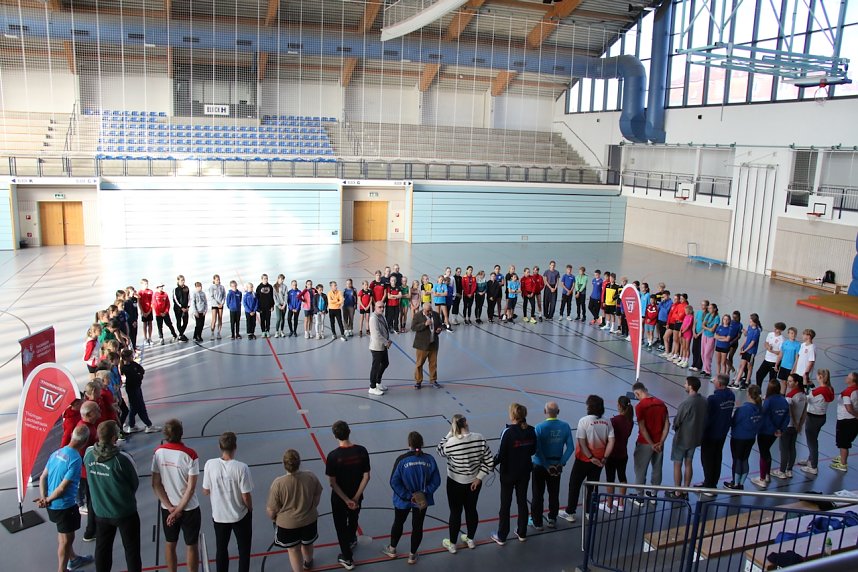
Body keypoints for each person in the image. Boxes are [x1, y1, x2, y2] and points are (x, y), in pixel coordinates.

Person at [84, 420, 142, 572]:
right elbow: (134, 483)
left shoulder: (89, 454)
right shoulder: (122, 459)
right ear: (113, 438)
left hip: (100, 511)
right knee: (132, 550)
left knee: (102, 548)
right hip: (124, 512)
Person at [36, 425, 94, 572]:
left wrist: (44, 498)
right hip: (64, 506)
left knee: (63, 535)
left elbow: (43, 477)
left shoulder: (57, 452)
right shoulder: (75, 459)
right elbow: (62, 488)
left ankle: (73, 558)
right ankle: (62, 569)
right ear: (85, 441)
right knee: (66, 540)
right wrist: (47, 500)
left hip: (52, 505)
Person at [437, 414, 494, 552]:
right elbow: (489, 461)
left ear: (454, 426)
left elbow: (439, 450)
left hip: (455, 483)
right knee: (471, 510)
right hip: (474, 483)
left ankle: (452, 544)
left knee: (455, 512)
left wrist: (449, 434)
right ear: (466, 423)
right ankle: (470, 539)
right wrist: (479, 477)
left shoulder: (451, 443)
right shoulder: (480, 438)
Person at [382, 432, 441, 565]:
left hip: (403, 500)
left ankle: (392, 549)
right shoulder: (429, 459)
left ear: (409, 444)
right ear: (422, 444)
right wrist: (422, 493)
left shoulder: (402, 460)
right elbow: (436, 481)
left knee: (398, 522)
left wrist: (408, 496)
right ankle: (412, 556)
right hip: (421, 500)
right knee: (418, 526)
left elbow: (394, 482)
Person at [151, 419, 201, 572]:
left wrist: (171, 508)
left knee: (170, 543)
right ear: (181, 434)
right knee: (191, 545)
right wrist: (178, 510)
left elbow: (156, 484)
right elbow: (190, 489)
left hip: (168, 508)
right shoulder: (190, 455)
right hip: (189, 508)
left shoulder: (158, 452)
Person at [202, 432, 254, 572]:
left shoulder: (210, 464)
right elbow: (246, 496)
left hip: (219, 516)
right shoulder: (242, 468)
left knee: (221, 549)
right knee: (244, 550)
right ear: (235, 447)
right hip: (239, 515)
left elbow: (205, 491)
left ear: (220, 447)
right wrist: (250, 509)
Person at [267, 449, 323, 572]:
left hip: (287, 525)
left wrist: (273, 518)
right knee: (308, 544)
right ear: (299, 462)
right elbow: (318, 494)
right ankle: (308, 562)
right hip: (309, 520)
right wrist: (312, 506)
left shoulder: (278, 483)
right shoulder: (310, 476)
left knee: (293, 550)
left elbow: (271, 509)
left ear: (284, 464)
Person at [325, 421, 371, 570]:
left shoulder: (333, 456)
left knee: (340, 526)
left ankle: (347, 558)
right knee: (353, 518)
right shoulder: (362, 451)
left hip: (339, 499)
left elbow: (332, 483)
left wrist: (346, 500)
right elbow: (366, 477)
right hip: (356, 496)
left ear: (335, 436)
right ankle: (351, 539)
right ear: (349, 431)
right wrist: (355, 498)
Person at [563, 395, 615, 521]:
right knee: (592, 486)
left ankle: (570, 512)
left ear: (590, 407)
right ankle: (590, 512)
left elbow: (582, 442)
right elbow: (611, 441)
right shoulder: (607, 421)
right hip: (599, 461)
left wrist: (590, 457)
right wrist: (605, 458)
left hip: (583, 459)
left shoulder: (584, 421)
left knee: (574, 484)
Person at [492, 403, 537, 544]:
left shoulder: (507, 432)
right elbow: (533, 451)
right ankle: (522, 532)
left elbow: (501, 454)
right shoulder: (532, 430)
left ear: (512, 415)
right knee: (522, 501)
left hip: (508, 473)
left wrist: (490, 464)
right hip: (524, 472)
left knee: (505, 504)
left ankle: (502, 535)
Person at [530, 402, 574, 527]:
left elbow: (537, 450)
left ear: (545, 411)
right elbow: (570, 447)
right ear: (558, 412)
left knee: (537, 494)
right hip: (556, 466)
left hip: (540, 466)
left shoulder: (539, 427)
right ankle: (552, 518)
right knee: (554, 493)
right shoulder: (565, 426)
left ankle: (537, 522)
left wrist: (546, 465)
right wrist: (561, 463)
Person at [631, 382, 669, 506]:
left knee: (640, 470)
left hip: (645, 443)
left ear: (637, 393)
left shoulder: (640, 406)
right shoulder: (661, 404)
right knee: (657, 469)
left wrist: (651, 443)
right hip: (659, 443)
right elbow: (667, 425)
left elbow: (642, 428)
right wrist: (661, 442)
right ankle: (653, 495)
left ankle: (640, 497)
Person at [671, 376, 708, 497]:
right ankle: (686, 489)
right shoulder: (704, 401)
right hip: (695, 438)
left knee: (677, 464)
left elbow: (677, 421)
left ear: (691, 387)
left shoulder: (686, 403)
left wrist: (675, 427)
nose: (684, 385)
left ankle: (677, 491)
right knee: (689, 463)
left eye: (686, 384)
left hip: (682, 438)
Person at [699, 374, 735, 494]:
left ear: (719, 384)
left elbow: (706, 417)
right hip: (723, 432)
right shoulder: (731, 395)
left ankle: (709, 486)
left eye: (715, 381)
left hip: (711, 433)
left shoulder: (713, 399)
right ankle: (712, 482)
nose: (713, 382)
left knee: (707, 459)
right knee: (717, 457)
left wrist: (701, 432)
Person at [750, 381, 789, 489]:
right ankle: (767, 474)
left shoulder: (769, 401)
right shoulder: (783, 400)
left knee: (763, 453)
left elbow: (764, 415)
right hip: (775, 433)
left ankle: (762, 479)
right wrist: (781, 429)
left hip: (765, 431)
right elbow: (787, 417)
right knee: (767, 451)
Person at [724, 386, 763, 490]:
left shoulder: (743, 409)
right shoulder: (760, 408)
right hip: (751, 438)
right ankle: (741, 483)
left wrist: (737, 410)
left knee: (737, 460)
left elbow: (733, 422)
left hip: (739, 438)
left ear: (748, 394)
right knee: (745, 459)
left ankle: (735, 484)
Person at [798, 369, 835, 476]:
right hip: (821, 417)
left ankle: (813, 466)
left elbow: (806, 398)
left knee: (812, 442)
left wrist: (804, 385)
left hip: (813, 418)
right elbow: (817, 396)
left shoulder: (818, 392)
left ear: (821, 377)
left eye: (818, 375)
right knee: (813, 440)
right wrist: (811, 385)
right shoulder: (829, 389)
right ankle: (811, 460)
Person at [772, 374, 807, 480]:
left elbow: (788, 412)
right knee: (792, 448)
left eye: (790, 381)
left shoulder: (790, 396)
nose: (788, 383)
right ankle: (789, 470)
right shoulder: (803, 395)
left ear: (796, 383)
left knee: (784, 449)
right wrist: (799, 425)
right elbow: (804, 412)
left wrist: (795, 423)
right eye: (788, 380)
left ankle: (782, 471)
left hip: (787, 426)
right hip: (795, 427)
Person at [602, 395, 633, 512]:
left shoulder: (614, 421)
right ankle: (621, 504)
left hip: (612, 454)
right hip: (623, 454)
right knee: (622, 477)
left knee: (610, 478)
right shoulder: (630, 421)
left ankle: (609, 505)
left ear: (620, 406)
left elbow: (608, 437)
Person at [120, 349, 160, 434]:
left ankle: (132, 426)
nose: (132, 357)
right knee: (139, 407)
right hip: (132, 389)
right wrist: (139, 375)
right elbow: (136, 377)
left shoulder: (133, 364)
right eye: (130, 356)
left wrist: (139, 374)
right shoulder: (125, 368)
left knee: (134, 407)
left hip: (137, 387)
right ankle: (148, 425)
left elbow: (141, 370)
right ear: (126, 358)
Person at [412, 302, 443, 390]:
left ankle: (433, 380)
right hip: (422, 345)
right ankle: (418, 381)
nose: (430, 312)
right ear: (423, 309)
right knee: (419, 364)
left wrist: (439, 329)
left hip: (433, 343)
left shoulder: (435, 314)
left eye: (430, 310)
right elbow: (413, 327)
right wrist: (424, 324)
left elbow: (440, 324)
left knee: (433, 364)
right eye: (428, 311)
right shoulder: (417, 316)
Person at [832, 371, 858, 472]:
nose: (846, 377)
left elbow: (849, 408)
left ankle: (843, 464)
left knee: (843, 443)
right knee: (846, 441)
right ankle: (842, 457)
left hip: (845, 420)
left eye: (848, 377)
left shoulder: (847, 393)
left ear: (853, 381)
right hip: (853, 421)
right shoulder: (856, 390)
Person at [731, 313, 761, 389]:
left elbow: (752, 343)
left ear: (755, 322)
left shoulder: (757, 331)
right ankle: (736, 382)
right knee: (741, 365)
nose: (749, 322)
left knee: (749, 367)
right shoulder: (749, 327)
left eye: (751, 321)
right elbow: (747, 338)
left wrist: (745, 350)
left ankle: (747, 382)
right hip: (745, 350)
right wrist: (742, 346)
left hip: (751, 352)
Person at [368, 300, 391, 395]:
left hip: (383, 345)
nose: (382, 309)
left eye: (383, 307)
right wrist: (386, 342)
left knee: (385, 363)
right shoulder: (373, 318)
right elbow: (376, 334)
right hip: (377, 347)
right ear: (375, 308)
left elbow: (384, 329)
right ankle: (372, 387)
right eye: (379, 307)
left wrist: (387, 340)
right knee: (375, 367)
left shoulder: (381, 316)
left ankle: (378, 382)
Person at [755, 322, 785, 386]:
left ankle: (771, 391)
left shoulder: (782, 340)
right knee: (759, 374)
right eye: (775, 328)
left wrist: (772, 351)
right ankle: (758, 389)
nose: (775, 329)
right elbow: (766, 343)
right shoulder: (770, 334)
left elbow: (780, 352)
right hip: (767, 359)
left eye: (777, 328)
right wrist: (768, 347)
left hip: (774, 361)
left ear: (781, 330)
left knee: (772, 380)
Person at [777, 327, 802, 393]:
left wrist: (794, 369)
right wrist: (777, 364)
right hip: (783, 366)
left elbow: (797, 358)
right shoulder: (785, 343)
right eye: (791, 333)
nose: (793, 335)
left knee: (791, 384)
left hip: (790, 367)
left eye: (794, 333)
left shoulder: (798, 345)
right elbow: (780, 355)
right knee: (783, 382)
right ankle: (782, 396)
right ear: (788, 334)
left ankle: (790, 396)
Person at [256, 274, 275, 338]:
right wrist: (258, 308)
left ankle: (267, 331)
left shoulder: (270, 287)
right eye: (264, 278)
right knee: (262, 320)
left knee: (268, 319)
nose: (266, 279)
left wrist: (272, 306)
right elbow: (257, 298)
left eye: (267, 278)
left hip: (268, 306)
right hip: (262, 307)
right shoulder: (259, 287)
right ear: (262, 279)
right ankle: (263, 331)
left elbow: (272, 297)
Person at [209, 274, 227, 340]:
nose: (218, 281)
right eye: (216, 280)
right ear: (214, 280)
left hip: (220, 305)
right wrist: (217, 304)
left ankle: (219, 333)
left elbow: (224, 295)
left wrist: (222, 303)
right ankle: (212, 333)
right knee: (214, 319)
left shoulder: (222, 287)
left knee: (220, 318)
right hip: (214, 305)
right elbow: (211, 297)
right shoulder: (211, 287)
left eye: (219, 279)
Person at [173, 275, 190, 342]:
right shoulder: (176, 289)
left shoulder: (186, 288)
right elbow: (175, 299)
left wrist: (188, 307)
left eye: (183, 280)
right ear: (178, 281)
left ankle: (180, 334)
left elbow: (189, 297)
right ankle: (181, 335)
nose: (183, 281)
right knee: (179, 321)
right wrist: (181, 307)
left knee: (186, 322)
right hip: (178, 308)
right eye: (181, 280)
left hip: (185, 308)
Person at [139, 278, 154, 345]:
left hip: (149, 310)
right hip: (143, 311)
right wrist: (142, 312)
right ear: (141, 284)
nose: (146, 285)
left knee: (150, 323)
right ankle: (145, 338)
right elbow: (139, 303)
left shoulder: (150, 291)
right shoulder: (140, 292)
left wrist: (149, 311)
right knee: (144, 324)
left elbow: (152, 302)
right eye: (145, 284)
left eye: (147, 284)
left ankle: (150, 338)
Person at [273, 274, 288, 338]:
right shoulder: (274, 287)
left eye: (283, 279)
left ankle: (282, 331)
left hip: (284, 305)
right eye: (281, 279)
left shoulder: (285, 286)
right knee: (278, 318)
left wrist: (284, 305)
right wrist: (279, 305)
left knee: (283, 319)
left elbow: (286, 296)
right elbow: (274, 297)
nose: (282, 280)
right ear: (278, 279)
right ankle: (276, 331)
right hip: (278, 305)